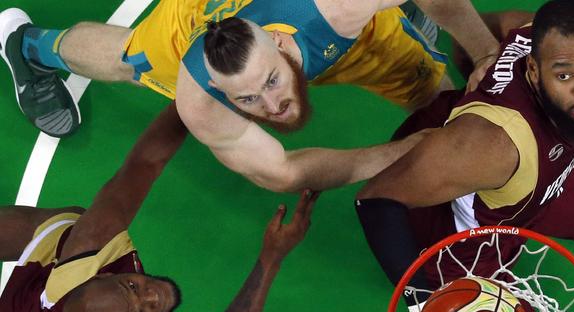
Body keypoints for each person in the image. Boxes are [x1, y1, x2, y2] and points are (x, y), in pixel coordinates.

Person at [354, 0, 574, 312]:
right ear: (534, 70)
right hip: (458, 237)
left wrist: (483, 64)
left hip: (538, 176)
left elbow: (477, 35)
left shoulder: (529, 30)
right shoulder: (493, 145)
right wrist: (426, 307)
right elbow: (376, 200)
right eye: (564, 75)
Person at [0, 0, 500, 193]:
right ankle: (28, 46)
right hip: (194, 21)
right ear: (221, 92)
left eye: (271, 83)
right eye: (248, 102)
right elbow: (283, 171)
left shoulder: (337, 10)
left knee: (425, 79)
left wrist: (485, 55)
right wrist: (404, 152)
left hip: (339, 35)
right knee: (130, 59)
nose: (271, 107)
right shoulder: (198, 96)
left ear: (282, 47)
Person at [0, 102, 320, 312]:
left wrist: (195, 98)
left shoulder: (85, 250)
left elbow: (145, 163)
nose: (152, 296)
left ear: (98, 276)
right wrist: (272, 257)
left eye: (132, 285)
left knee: (69, 224)